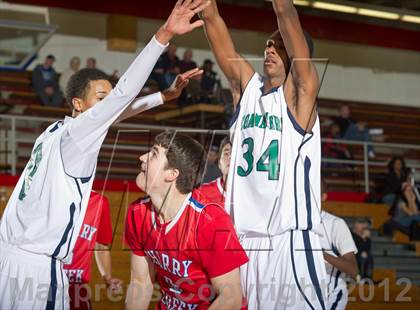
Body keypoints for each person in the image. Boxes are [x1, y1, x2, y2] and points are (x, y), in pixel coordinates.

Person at [0, 1, 208, 308]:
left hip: (8, 258)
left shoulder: (53, 133)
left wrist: (162, 97)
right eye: (102, 97)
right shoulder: (77, 135)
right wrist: (163, 35)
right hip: (36, 270)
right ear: (79, 104)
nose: (110, 104)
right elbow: (123, 96)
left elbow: (117, 111)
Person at [201, 0, 327, 308]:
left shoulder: (301, 99)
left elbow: (286, 14)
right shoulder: (248, 89)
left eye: (279, 46)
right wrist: (206, 10)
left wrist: (282, 8)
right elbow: (217, 29)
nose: (270, 49)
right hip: (242, 243)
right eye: (268, 45)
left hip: (288, 242)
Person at [124, 132, 248, 309]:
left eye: (154, 154)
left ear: (172, 174)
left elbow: (231, 299)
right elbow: (140, 282)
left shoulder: (210, 221)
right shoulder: (138, 213)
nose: (142, 157)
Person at [63, 191, 122, 310]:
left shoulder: (98, 202)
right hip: (45, 281)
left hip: (76, 286)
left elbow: (100, 246)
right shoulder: (48, 193)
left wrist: (108, 278)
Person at [319, 181, 358, 310]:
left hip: (331, 298)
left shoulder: (335, 223)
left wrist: (320, 254)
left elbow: (353, 270)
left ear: (323, 197)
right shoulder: (291, 223)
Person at [199, 136, 231, 206]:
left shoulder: (255, 193)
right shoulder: (201, 193)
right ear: (219, 162)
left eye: (235, 154)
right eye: (226, 153)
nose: (230, 157)